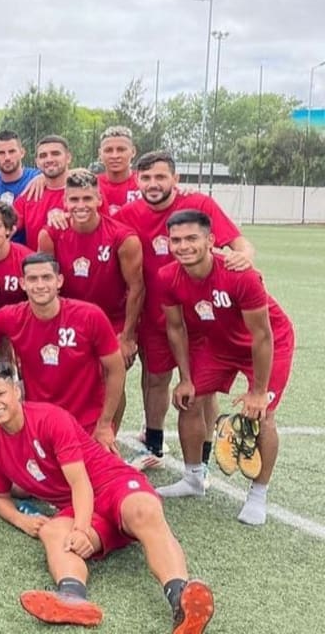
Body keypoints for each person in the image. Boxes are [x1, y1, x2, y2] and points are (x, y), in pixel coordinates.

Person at [0, 360, 215, 632]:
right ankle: (73, 599)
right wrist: (22, 520)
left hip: (113, 484)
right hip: (80, 508)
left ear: (16, 391)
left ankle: (181, 602)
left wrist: (81, 528)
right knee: (52, 531)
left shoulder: (49, 418)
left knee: (144, 511)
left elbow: (81, 483)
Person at [115, 150, 254, 468]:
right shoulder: (126, 214)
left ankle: (206, 456)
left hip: (202, 315)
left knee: (201, 387)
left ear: (175, 179)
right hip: (156, 313)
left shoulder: (199, 205)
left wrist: (244, 256)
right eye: (146, 177)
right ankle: (153, 446)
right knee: (155, 380)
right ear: (137, 180)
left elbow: (239, 244)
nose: (153, 183)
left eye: (161, 177)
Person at [156, 210, 294, 526]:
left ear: (211, 241)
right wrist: (186, 378)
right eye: (176, 240)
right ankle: (193, 478)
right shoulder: (167, 277)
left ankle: (258, 493)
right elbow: (175, 328)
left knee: (262, 414)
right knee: (188, 400)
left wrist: (258, 392)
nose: (183, 246)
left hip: (267, 342)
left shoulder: (240, 274)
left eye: (192, 238)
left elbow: (262, 335)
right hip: (217, 342)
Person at [0, 253, 126, 450]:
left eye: (47, 277)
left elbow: (116, 370)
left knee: (98, 479)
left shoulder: (90, 316)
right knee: (15, 479)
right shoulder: (12, 316)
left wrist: (104, 425)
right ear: (22, 283)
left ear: (59, 281)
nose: (40, 284)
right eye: (33, 279)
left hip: (86, 423)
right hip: (38, 423)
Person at [38, 169, 144, 379]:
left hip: (113, 320)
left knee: (112, 377)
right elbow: (45, 286)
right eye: (74, 199)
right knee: (70, 379)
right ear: (65, 202)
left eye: (87, 198)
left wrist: (127, 336)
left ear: (99, 199)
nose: (80, 205)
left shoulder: (123, 238)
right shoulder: (50, 234)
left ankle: (110, 415)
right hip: (68, 318)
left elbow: (136, 287)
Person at [14, 135, 72, 250]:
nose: (49, 159)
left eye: (55, 154)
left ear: (68, 157)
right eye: (43, 156)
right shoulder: (29, 194)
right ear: (37, 162)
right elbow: (6, 226)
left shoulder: (84, 193)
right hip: (39, 266)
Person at [96, 126, 141, 215]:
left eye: (121, 150)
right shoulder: (91, 185)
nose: (115, 156)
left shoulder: (146, 183)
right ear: (100, 154)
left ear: (133, 152)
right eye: (108, 150)